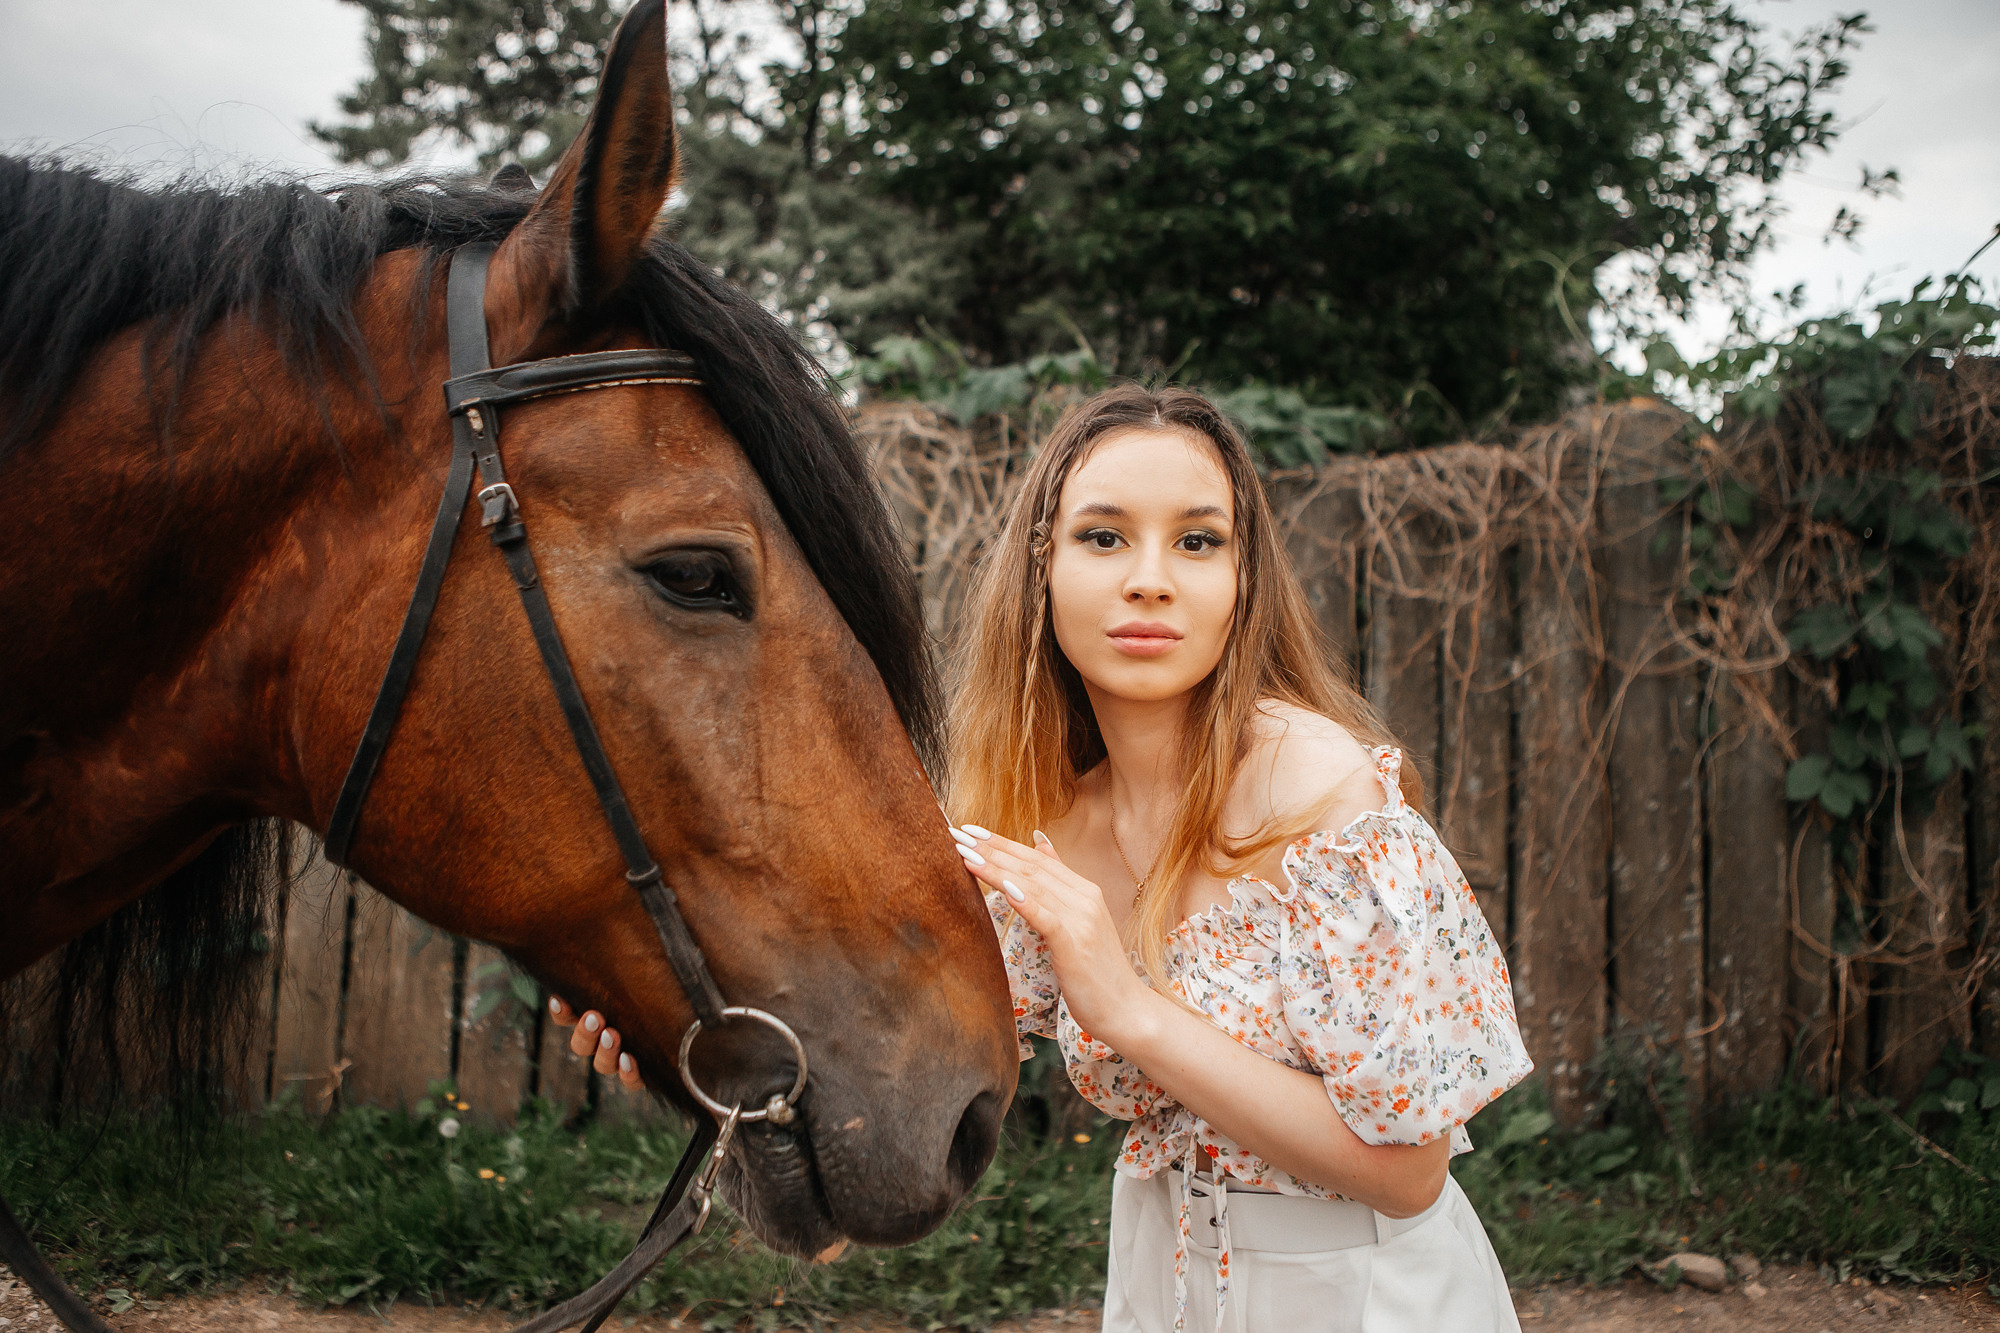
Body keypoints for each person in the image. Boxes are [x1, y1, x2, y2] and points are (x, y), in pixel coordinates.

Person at [553, 384, 1533, 1332]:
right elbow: (870, 1155)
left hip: (1366, 1298)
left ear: (1242, 580)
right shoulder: (1036, 831)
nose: (1148, 576)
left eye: (1197, 540)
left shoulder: (1316, 791)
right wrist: (692, 1057)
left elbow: (1408, 1173)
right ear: (1043, 568)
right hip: (1160, 1293)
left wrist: (1129, 1013)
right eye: (1102, 536)